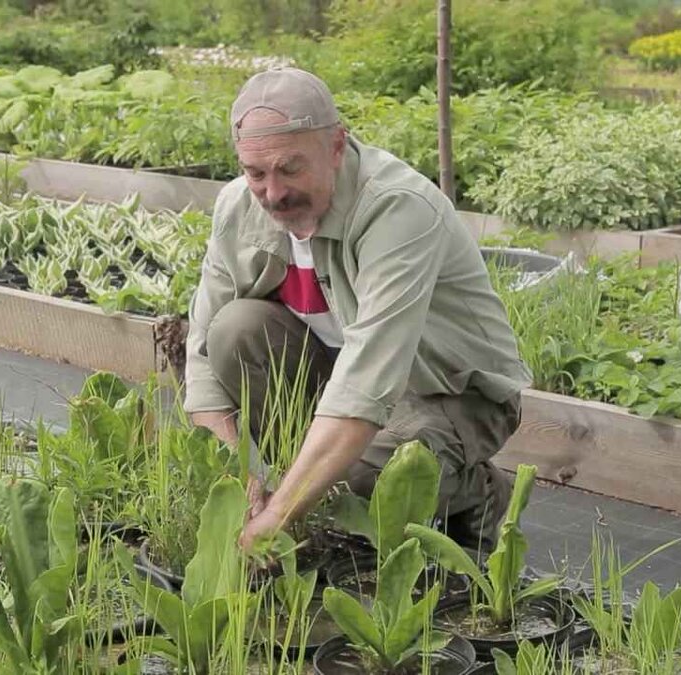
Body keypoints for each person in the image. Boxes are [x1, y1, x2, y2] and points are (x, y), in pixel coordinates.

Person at [183, 67, 531, 553]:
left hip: (447, 390)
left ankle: (479, 494)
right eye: (255, 173)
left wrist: (280, 513)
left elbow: (368, 381)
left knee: (347, 483)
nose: (273, 193)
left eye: (290, 168)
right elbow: (201, 357)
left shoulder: (396, 209)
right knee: (234, 329)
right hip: (341, 379)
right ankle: (328, 466)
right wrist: (241, 478)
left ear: (336, 146)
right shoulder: (238, 207)